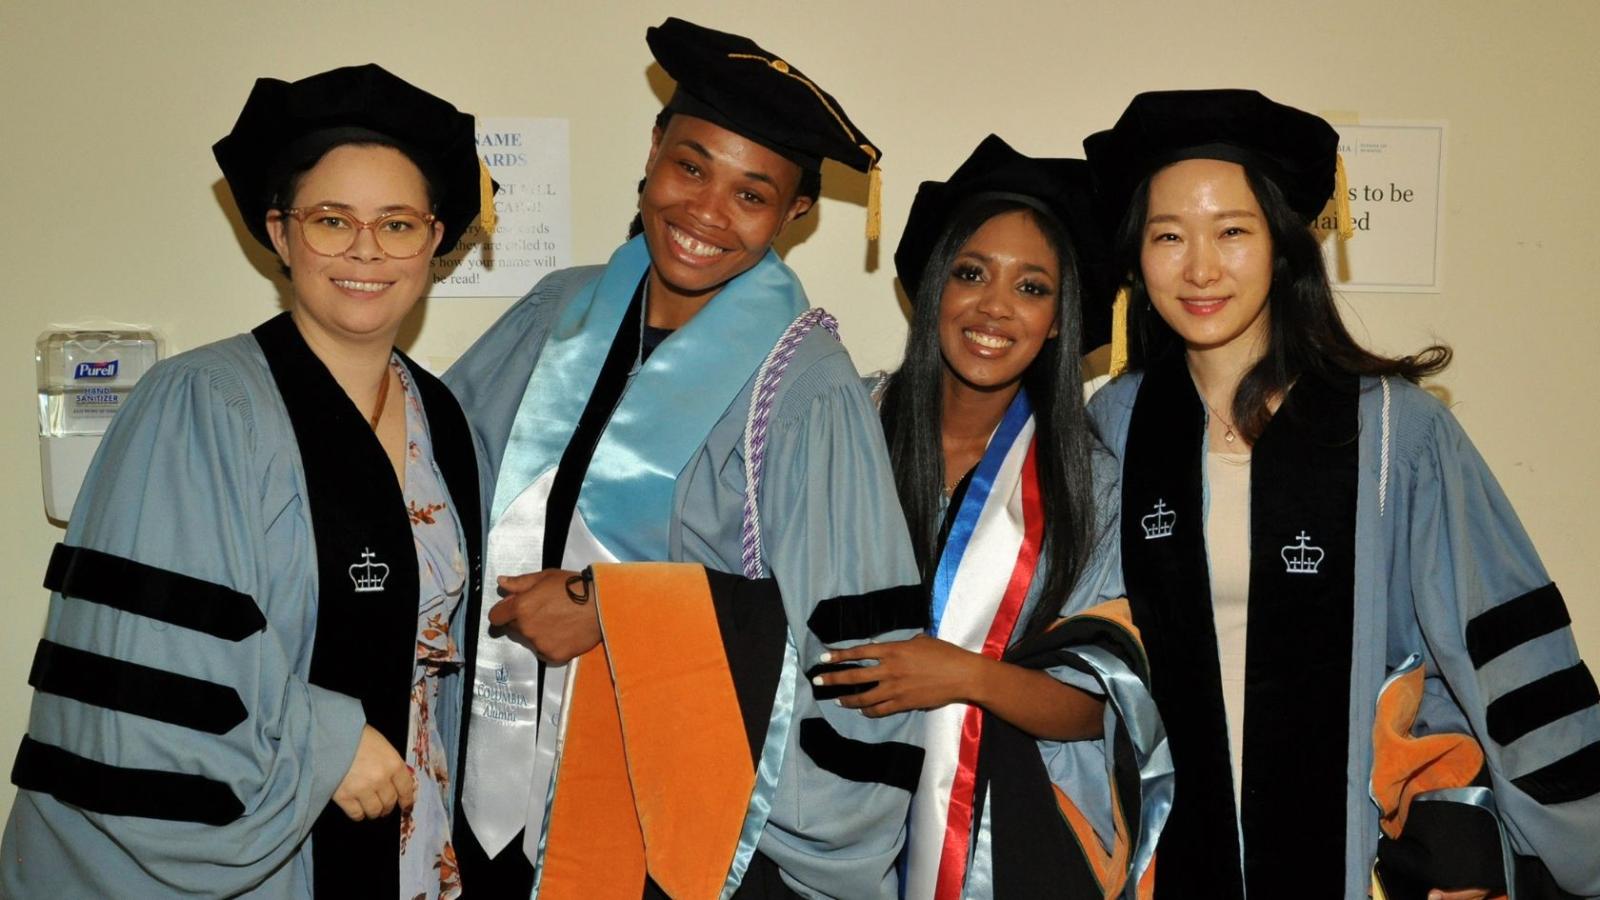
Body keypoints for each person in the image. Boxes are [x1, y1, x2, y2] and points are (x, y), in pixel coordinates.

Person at [443, 17, 923, 900]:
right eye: (691, 165)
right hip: (483, 787)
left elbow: (851, 644)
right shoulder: (555, 311)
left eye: (752, 193)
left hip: (673, 824)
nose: (704, 212)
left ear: (796, 213)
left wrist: (613, 611)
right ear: (654, 147)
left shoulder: (806, 387)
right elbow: (435, 487)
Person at [1083, 88, 1600, 898]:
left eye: (1232, 232)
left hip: (1359, 863)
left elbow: (1489, 659)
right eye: (1168, 236)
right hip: (1166, 861)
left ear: (1283, 246)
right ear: (1137, 258)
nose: (1200, 268)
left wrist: (1474, 848)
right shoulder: (1115, 426)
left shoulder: (1397, 434)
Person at [2, 64, 491, 898]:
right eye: (331, 220)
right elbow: (143, 666)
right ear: (280, 230)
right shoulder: (199, 405)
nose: (366, 250)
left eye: (399, 223)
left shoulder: (443, 415)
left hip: (405, 822)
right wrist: (327, 740)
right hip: (263, 847)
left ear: (435, 241)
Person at [813, 135, 1170, 899]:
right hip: (829, 821)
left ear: (1058, 319)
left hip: (1016, 841)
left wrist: (964, 676)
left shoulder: (1092, 485)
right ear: (936, 285)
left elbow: (1094, 707)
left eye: (1032, 288)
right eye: (971, 274)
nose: (995, 308)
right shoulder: (844, 426)